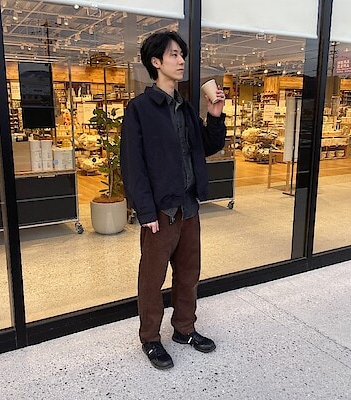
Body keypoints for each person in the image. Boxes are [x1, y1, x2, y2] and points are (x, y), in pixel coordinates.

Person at [120, 31, 226, 370]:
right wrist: (145, 210)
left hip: (189, 208)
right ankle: (150, 338)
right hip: (161, 211)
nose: (181, 61)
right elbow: (132, 164)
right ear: (156, 62)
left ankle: (184, 329)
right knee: (152, 279)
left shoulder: (185, 107)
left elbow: (207, 146)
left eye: (182, 54)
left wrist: (215, 114)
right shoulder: (139, 109)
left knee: (188, 274)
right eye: (174, 55)